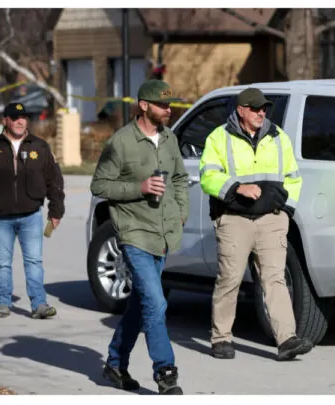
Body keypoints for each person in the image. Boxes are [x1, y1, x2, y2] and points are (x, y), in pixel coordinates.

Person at [90, 79, 189, 395]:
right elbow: (100, 185)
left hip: (162, 234)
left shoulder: (170, 139)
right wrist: (139, 188)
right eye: (162, 105)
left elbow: (179, 178)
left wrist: (181, 210)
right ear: (144, 106)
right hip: (134, 233)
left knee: (141, 303)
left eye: (170, 104)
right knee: (157, 303)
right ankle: (166, 372)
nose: (168, 109)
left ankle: (115, 363)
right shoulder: (121, 142)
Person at [199, 88, 312, 361]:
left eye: (264, 108)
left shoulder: (278, 137)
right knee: (230, 280)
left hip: (271, 220)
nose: (262, 113)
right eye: (255, 108)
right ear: (241, 110)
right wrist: (237, 188)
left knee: (275, 280)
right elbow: (207, 176)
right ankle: (221, 338)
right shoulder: (219, 137)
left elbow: (293, 178)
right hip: (234, 219)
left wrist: (285, 212)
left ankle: (287, 339)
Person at [0, 103, 64, 319]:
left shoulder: (39, 147)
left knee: (34, 261)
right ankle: (3, 303)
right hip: (1, 217)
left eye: (23, 117)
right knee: (2, 262)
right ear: (5, 120)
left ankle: (39, 304)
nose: (20, 121)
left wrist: (56, 210)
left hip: (31, 215)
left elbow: (54, 180)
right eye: (15, 117)